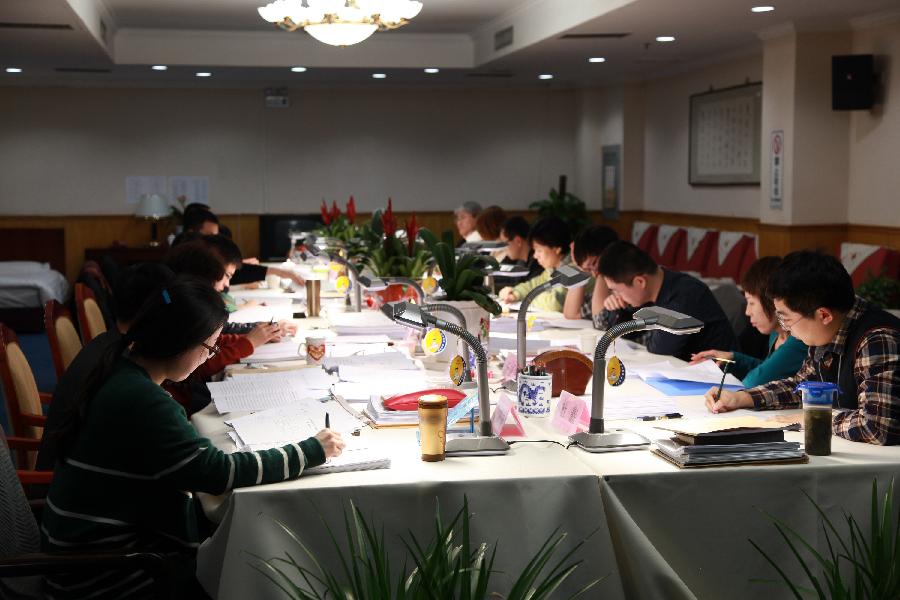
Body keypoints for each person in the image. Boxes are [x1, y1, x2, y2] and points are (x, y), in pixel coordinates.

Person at [41, 277, 345, 598]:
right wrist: (312, 449)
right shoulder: (142, 400)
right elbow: (217, 474)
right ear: (180, 340)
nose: (210, 355)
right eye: (209, 347)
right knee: (260, 567)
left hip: (93, 551)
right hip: (111, 576)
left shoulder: (121, 367)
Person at [705, 251, 900, 445]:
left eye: (785, 318)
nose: (785, 327)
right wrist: (742, 398)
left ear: (823, 315)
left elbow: (877, 426)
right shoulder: (826, 329)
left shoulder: (877, 339)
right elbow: (802, 386)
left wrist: (813, 417)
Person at [36, 263, 175, 472]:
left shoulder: (110, 344)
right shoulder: (118, 365)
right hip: (69, 482)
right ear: (154, 311)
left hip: (77, 466)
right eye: (171, 308)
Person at [598, 241, 737, 361]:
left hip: (722, 381)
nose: (617, 296)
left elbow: (660, 351)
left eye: (617, 290)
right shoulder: (650, 291)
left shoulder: (684, 295)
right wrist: (616, 308)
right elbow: (620, 334)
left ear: (640, 282)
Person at [690, 257, 808, 387]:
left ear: (772, 301)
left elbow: (754, 382)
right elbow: (769, 370)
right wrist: (732, 359)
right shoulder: (776, 334)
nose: (747, 312)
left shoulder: (799, 340)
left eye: (751, 302)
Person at [498, 217, 572, 312]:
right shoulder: (552, 270)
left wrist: (526, 299)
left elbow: (555, 303)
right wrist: (515, 293)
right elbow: (533, 285)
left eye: (539, 250)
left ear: (557, 248)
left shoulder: (571, 269)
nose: (535, 255)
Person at [564, 225, 619, 324]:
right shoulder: (603, 285)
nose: (594, 274)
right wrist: (581, 269)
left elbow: (600, 320)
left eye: (594, 263)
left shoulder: (627, 281)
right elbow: (571, 314)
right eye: (588, 270)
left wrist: (602, 273)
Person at [493, 216, 542, 289]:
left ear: (518, 241)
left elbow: (521, 287)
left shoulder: (537, 263)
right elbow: (509, 279)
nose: (503, 249)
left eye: (505, 243)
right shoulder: (521, 260)